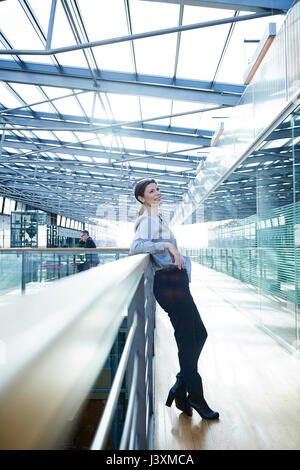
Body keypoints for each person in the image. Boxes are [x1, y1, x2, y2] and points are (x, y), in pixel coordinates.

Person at [130, 178, 219, 420]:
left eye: (157, 189)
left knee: (198, 334)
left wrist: (168, 246)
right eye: (151, 191)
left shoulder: (156, 217)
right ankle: (196, 397)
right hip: (169, 284)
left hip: (175, 281)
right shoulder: (146, 220)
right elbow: (135, 247)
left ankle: (181, 385)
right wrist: (167, 245)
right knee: (188, 337)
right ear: (141, 198)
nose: (157, 192)